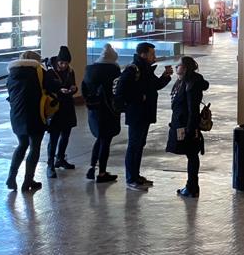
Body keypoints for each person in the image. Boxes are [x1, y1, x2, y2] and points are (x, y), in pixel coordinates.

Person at [118, 42, 173, 190]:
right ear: (143, 54)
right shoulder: (133, 69)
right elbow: (121, 91)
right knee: (134, 145)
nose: (154, 57)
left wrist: (165, 76)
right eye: (152, 54)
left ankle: (136, 176)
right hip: (136, 114)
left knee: (139, 145)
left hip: (145, 113)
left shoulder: (146, 69)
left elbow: (155, 86)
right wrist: (138, 97)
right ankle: (131, 178)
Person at [166, 56, 210, 198]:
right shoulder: (182, 81)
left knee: (192, 155)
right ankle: (191, 186)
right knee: (191, 154)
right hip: (182, 123)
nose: (176, 67)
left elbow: (192, 109)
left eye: (178, 65)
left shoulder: (191, 84)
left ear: (185, 68)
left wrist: (190, 130)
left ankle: (192, 187)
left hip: (188, 125)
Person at [5, 51, 46, 192]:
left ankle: (11, 177)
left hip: (16, 115)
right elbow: (52, 87)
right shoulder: (38, 73)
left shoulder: (12, 74)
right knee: (34, 147)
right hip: (35, 114)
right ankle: (28, 180)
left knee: (22, 145)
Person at [81, 43, 122, 182]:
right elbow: (117, 90)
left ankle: (92, 168)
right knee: (105, 141)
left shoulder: (89, 69)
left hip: (94, 110)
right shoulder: (113, 70)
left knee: (100, 138)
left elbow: (84, 89)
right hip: (108, 111)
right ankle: (102, 173)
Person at [45, 47, 78, 178]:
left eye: (66, 63)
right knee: (54, 138)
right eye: (62, 63)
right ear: (58, 61)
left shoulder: (70, 71)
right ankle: (50, 164)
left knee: (66, 135)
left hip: (68, 106)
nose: (64, 65)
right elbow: (47, 88)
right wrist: (59, 90)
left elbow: (73, 84)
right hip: (55, 108)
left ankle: (60, 158)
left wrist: (73, 89)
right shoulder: (50, 73)